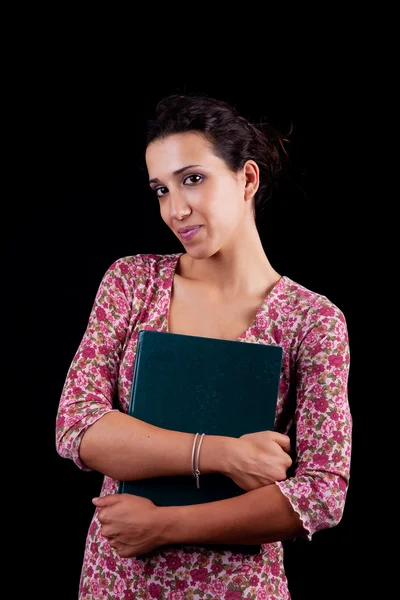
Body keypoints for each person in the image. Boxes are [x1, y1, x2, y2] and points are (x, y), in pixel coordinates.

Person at [55, 94, 352, 600]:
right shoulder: (133, 282)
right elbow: (76, 425)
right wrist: (222, 454)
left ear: (247, 179)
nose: (175, 208)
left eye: (193, 178)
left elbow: (322, 494)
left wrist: (166, 524)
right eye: (160, 189)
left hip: (238, 589)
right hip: (119, 582)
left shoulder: (312, 320)